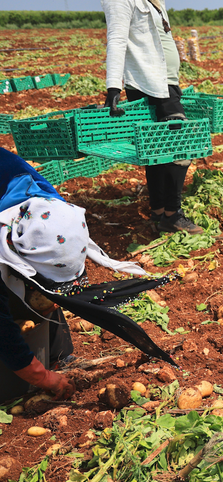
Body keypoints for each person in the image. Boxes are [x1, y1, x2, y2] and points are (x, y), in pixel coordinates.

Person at [0, 148, 177, 401]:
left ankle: (60, 354)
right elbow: (2, 330)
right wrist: (43, 377)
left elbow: (59, 258)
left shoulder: (49, 206)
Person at [102, 0, 203, 235]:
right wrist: (113, 86)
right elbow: (116, 38)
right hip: (152, 83)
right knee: (182, 144)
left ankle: (158, 211)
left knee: (157, 149)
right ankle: (172, 215)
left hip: (165, 81)